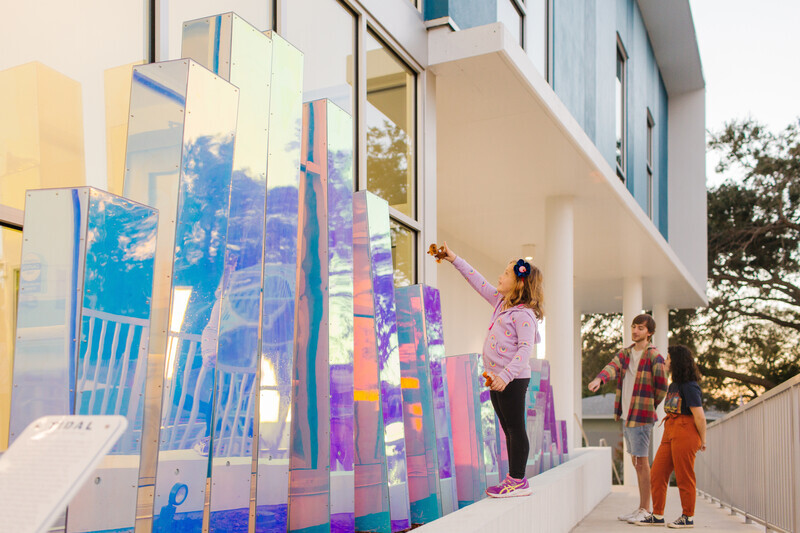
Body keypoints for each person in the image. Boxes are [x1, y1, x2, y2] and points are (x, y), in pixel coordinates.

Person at [437, 242, 543, 498]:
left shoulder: (524, 315)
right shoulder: (501, 304)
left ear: (519, 283)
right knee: (507, 428)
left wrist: (505, 377)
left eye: (506, 274)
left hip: (513, 379)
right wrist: (453, 258)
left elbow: (525, 350)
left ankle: (518, 481)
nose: (499, 276)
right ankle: (512, 478)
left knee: (516, 428)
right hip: (496, 379)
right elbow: (478, 281)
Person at [587, 314, 668, 524]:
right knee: (636, 461)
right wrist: (599, 378)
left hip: (642, 416)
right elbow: (612, 367)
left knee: (641, 462)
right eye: (634, 327)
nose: (635, 331)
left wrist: (649, 406)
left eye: (640, 328)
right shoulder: (625, 353)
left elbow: (662, 387)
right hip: (627, 415)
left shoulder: (654, 356)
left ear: (649, 332)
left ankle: (645, 509)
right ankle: (641, 507)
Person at [636, 345, 706, 528]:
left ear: (677, 362)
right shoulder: (674, 384)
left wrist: (702, 439)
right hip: (670, 429)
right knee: (657, 472)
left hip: (685, 429)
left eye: (668, 358)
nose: (665, 361)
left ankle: (687, 516)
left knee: (684, 475)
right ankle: (657, 515)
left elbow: (699, 416)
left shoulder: (690, 387)